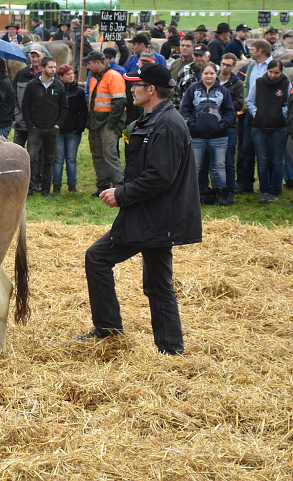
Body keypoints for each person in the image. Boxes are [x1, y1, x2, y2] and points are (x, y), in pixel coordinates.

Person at [77, 63, 200, 356]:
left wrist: (121, 194)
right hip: (151, 214)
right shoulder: (152, 121)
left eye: (136, 85)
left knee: (98, 258)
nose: (131, 89)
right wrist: (121, 188)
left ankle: (111, 331)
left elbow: (160, 175)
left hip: (156, 217)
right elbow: (145, 169)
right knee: (157, 283)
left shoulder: (168, 124)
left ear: (151, 90)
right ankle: (170, 349)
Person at [179, 63, 236, 205]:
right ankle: (196, 192)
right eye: (206, 73)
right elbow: (184, 108)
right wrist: (191, 124)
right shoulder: (193, 89)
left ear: (216, 74)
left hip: (219, 136)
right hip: (197, 136)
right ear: (201, 74)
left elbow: (229, 111)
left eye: (211, 73)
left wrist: (222, 124)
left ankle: (221, 192)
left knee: (219, 165)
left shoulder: (223, 90)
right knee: (196, 166)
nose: (209, 76)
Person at [22, 57, 67, 196]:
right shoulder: (32, 85)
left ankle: (46, 188)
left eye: (54, 67)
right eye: (50, 67)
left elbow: (64, 107)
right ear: (42, 68)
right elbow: (26, 106)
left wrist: (58, 125)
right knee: (32, 157)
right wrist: (31, 125)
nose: (53, 70)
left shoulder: (59, 86)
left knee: (49, 159)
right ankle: (30, 186)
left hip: (52, 129)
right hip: (36, 129)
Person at [84, 50, 127, 196]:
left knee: (110, 156)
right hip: (95, 122)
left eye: (89, 63)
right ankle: (102, 186)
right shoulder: (94, 78)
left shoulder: (113, 76)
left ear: (98, 62)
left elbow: (120, 102)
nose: (87, 67)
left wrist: (111, 125)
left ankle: (119, 187)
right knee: (97, 155)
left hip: (108, 123)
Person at [247, 59, 289, 203]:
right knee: (263, 161)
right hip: (259, 127)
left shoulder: (286, 84)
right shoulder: (258, 83)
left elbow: (289, 103)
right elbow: (250, 101)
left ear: (281, 72)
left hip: (279, 128)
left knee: (277, 161)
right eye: (271, 72)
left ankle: (275, 191)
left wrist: (281, 114)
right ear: (267, 71)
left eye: (276, 73)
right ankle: (264, 190)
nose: (273, 75)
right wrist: (257, 113)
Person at [237, 39, 273, 194]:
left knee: (268, 150)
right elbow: (247, 87)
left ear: (260, 51)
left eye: (252, 49)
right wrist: (246, 103)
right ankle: (245, 183)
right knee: (246, 148)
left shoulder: (274, 66)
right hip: (250, 113)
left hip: (269, 115)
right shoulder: (251, 66)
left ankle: (269, 183)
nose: (250, 52)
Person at [214, 53, 245, 204]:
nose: (225, 67)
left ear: (234, 66)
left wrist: (220, 104)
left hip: (229, 125)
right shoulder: (212, 79)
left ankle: (230, 189)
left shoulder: (237, 83)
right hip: (211, 124)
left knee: (228, 159)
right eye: (223, 64)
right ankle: (217, 188)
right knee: (213, 159)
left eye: (228, 65)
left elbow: (239, 104)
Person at [53, 64, 87, 193]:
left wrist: (79, 128)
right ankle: (56, 185)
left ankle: (72, 185)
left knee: (71, 159)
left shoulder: (79, 91)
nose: (71, 76)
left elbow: (83, 111)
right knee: (58, 159)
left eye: (72, 73)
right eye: (68, 74)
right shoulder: (56, 89)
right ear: (61, 77)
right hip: (59, 130)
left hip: (73, 131)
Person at [12, 46, 45, 148]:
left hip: (39, 124)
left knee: (35, 155)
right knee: (16, 152)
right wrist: (17, 115)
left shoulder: (47, 74)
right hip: (21, 122)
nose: (35, 59)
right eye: (32, 56)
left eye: (37, 56)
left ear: (43, 56)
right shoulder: (22, 73)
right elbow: (13, 96)